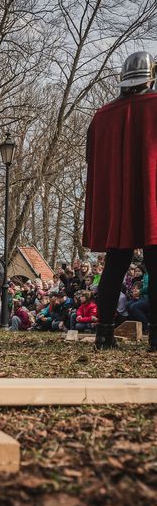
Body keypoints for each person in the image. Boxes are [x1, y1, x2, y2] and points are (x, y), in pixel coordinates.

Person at [83, 51, 157, 350]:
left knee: (115, 265)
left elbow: (92, 158)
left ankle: (103, 333)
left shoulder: (102, 115)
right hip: (151, 195)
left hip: (119, 201)